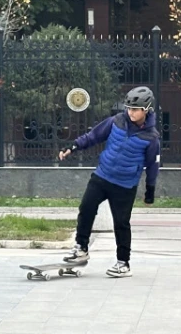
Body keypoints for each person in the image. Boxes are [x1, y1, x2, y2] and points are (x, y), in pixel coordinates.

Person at [58, 86, 160, 278]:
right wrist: (73, 147)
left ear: (146, 109)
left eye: (135, 109)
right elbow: (93, 136)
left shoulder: (151, 137)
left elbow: (152, 165)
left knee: (121, 223)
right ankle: (81, 248)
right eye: (129, 108)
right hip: (102, 176)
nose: (131, 112)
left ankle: (123, 263)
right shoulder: (116, 121)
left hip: (125, 185)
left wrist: (150, 190)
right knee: (86, 208)